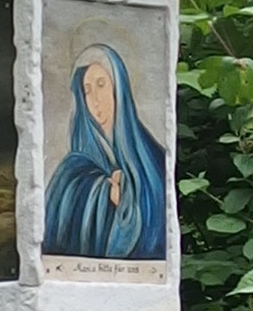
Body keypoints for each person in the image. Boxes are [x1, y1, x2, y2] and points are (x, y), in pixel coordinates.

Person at [43, 44, 166, 261]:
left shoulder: (153, 157)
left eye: (101, 85)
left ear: (119, 87)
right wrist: (103, 191)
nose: (95, 99)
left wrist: (130, 193)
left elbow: (160, 216)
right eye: (87, 90)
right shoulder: (73, 167)